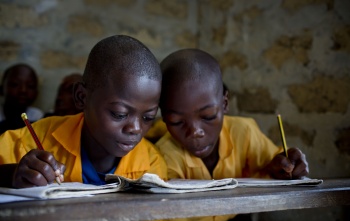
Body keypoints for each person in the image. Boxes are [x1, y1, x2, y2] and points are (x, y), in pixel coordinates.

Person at [156, 49, 309, 220]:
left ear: (224, 103)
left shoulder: (244, 132)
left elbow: (275, 165)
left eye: (208, 116)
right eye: (176, 122)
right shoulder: (164, 157)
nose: (195, 132)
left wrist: (288, 167)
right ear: (163, 117)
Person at [0, 35, 167, 188]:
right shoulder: (25, 143)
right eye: (119, 114)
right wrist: (9, 175)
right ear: (81, 97)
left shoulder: (150, 164)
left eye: (148, 117)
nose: (136, 129)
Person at [0, 63, 43, 134]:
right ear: (1, 89)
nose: (23, 90)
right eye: (15, 84)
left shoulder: (38, 118)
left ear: (37, 93)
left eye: (30, 86)